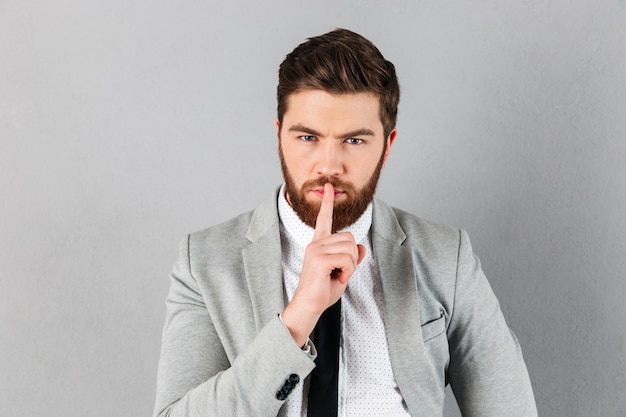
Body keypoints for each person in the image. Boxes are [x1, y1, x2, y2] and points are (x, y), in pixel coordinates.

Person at [153, 28, 537, 417]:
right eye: (307, 137)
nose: (328, 166)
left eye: (354, 141)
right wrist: (299, 316)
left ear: (387, 146)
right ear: (279, 137)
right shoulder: (203, 262)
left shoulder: (445, 256)